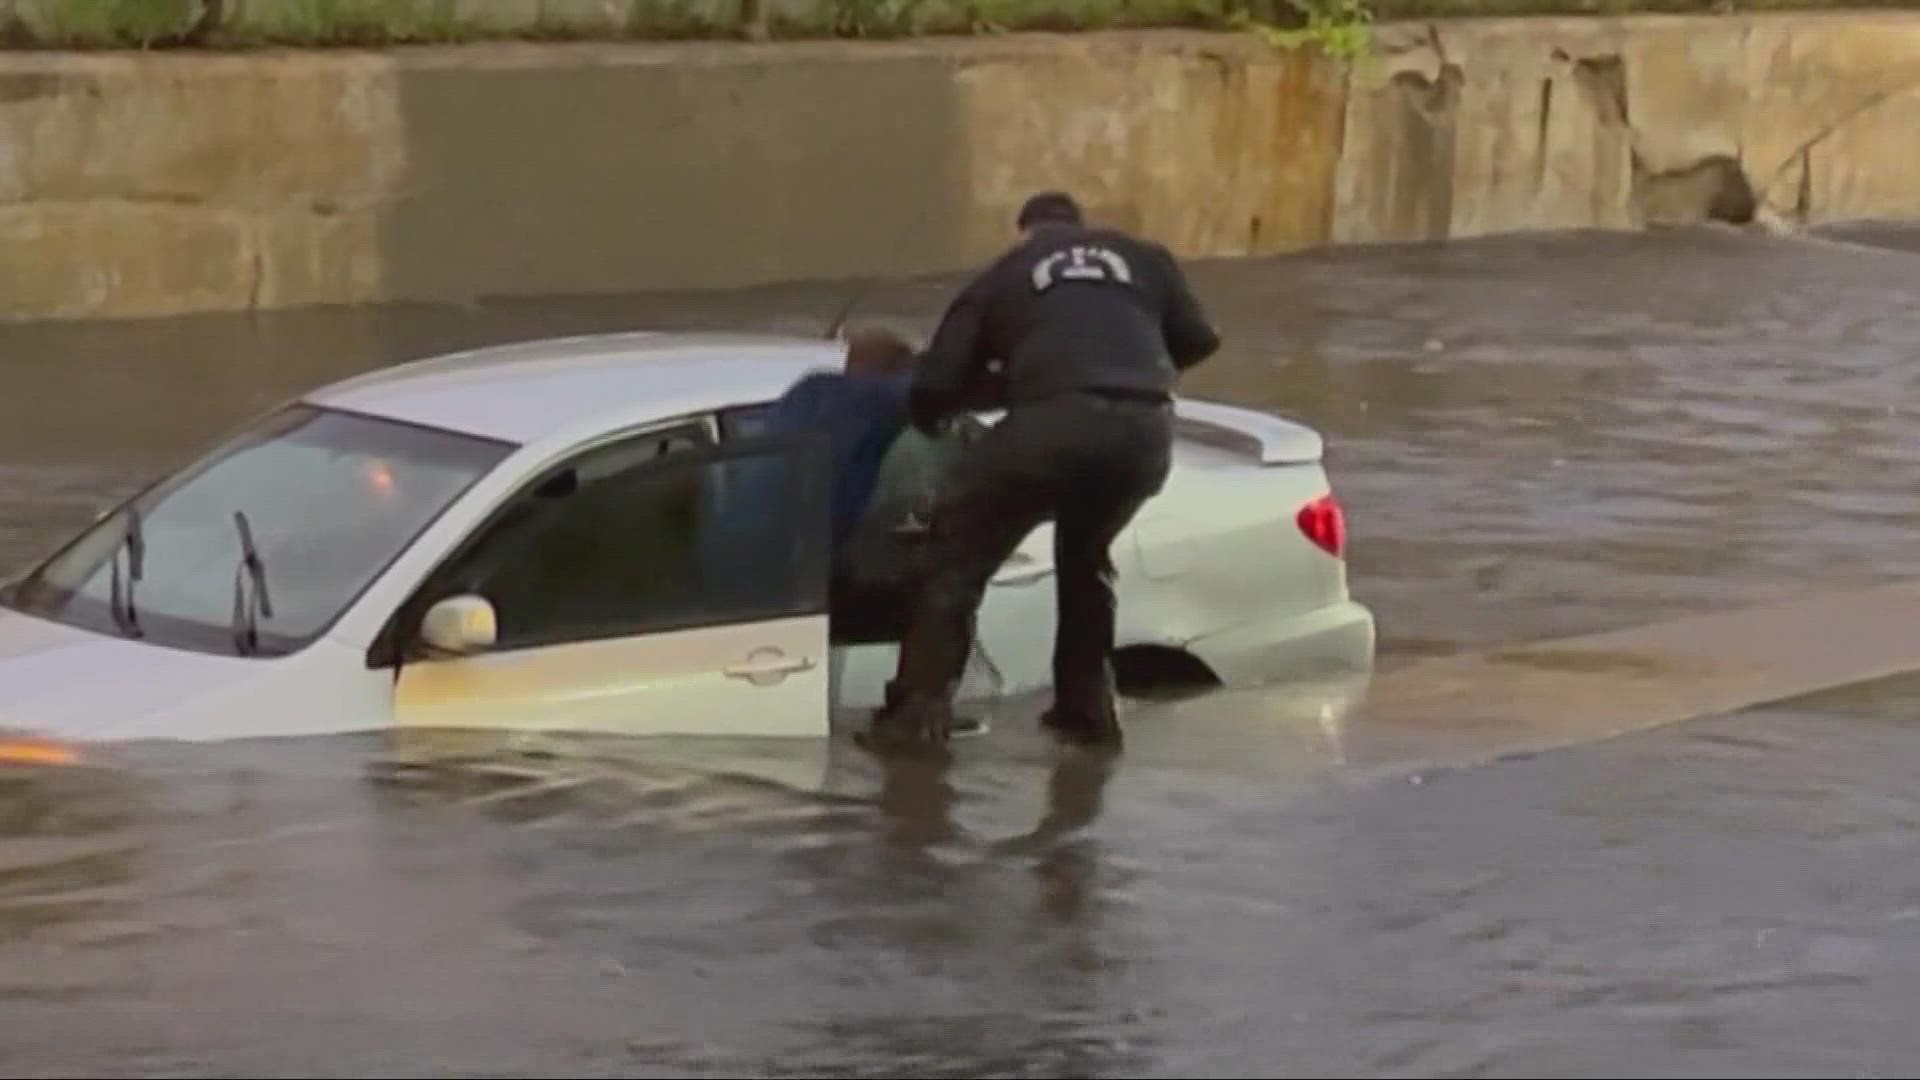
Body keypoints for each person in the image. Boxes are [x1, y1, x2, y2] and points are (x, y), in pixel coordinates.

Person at [863, 190, 1221, 753]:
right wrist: (1125, 372)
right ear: (1079, 227)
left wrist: (960, 405)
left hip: (1051, 426)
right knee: (1086, 562)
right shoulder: (1145, 257)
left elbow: (937, 383)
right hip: (1144, 435)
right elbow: (1199, 340)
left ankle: (916, 716)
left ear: (1024, 231)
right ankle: (1089, 712)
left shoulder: (1005, 273)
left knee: (957, 561)